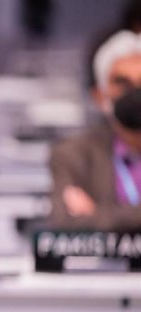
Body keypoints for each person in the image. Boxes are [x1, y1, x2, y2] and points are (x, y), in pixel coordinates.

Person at [49, 30, 141, 230]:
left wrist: (98, 214)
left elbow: (89, 222)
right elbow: (64, 223)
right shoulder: (72, 154)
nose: (135, 92)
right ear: (100, 95)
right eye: (122, 83)